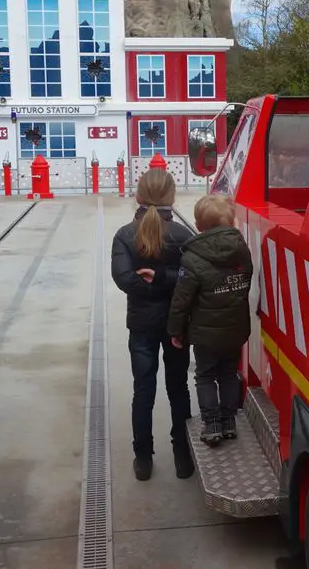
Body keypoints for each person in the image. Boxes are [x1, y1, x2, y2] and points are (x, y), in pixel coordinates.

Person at [111, 168, 195, 481]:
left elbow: (123, 279)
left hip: (141, 324)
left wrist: (151, 280)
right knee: (178, 388)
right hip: (177, 324)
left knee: (143, 390)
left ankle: (143, 459)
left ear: (138, 195)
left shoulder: (124, 235)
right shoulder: (184, 236)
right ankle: (183, 457)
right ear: (171, 197)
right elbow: (192, 277)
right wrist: (168, 281)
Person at [167, 195, 253, 446]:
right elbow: (245, 283)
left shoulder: (192, 258)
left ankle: (212, 424)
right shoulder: (242, 249)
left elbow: (181, 301)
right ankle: (229, 422)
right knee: (228, 373)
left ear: (199, 224)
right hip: (236, 328)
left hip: (205, 334)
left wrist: (176, 330)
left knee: (205, 376)